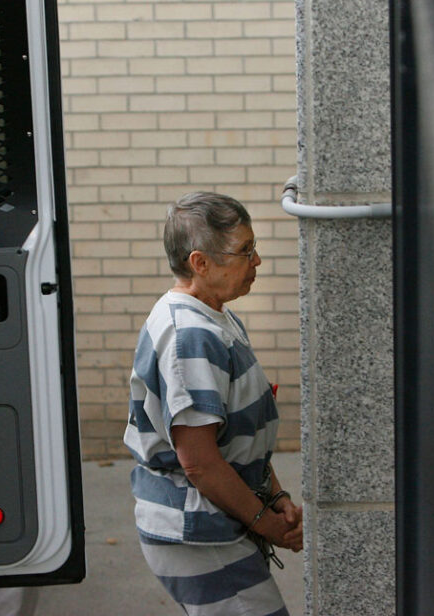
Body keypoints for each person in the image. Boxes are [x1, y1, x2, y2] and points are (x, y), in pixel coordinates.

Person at [124, 192, 302, 616]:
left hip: (215, 526)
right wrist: (267, 524)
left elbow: (238, 435)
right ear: (200, 263)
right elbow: (200, 463)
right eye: (245, 251)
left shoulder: (215, 316)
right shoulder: (191, 336)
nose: (256, 261)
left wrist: (274, 494)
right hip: (197, 535)